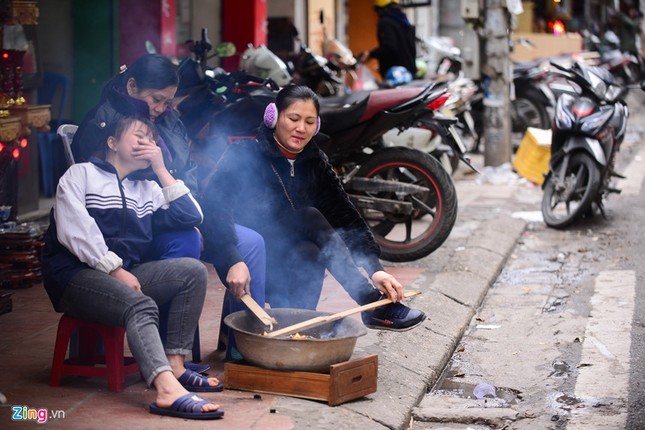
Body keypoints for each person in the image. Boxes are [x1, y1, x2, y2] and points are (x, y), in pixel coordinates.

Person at [72, 53, 267, 362]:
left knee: (252, 244)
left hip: (181, 207)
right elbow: (112, 184)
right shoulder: (109, 122)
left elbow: (188, 172)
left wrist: (200, 214)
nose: (162, 108)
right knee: (186, 239)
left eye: (168, 102)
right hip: (142, 221)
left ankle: (243, 350)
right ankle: (171, 353)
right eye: (157, 100)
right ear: (132, 86)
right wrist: (186, 214)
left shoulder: (167, 119)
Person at [40, 116, 225, 419]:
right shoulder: (80, 175)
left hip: (124, 274)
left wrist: (162, 169)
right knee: (140, 307)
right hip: (74, 276)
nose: (147, 144)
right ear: (112, 143)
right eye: (138, 137)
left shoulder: (147, 189)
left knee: (191, 271)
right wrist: (114, 269)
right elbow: (76, 230)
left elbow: (192, 216)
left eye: (151, 139)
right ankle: (165, 390)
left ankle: (175, 365)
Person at [199, 85, 426, 331]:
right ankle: (368, 301)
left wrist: (376, 269)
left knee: (310, 250)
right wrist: (233, 258)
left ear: (317, 125)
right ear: (273, 117)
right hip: (247, 260)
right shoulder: (244, 153)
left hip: (293, 257)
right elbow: (213, 207)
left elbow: (343, 212)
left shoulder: (314, 160)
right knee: (309, 216)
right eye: (293, 119)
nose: (301, 129)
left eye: (309, 122)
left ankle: (296, 327)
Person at [361, 0, 417, 80]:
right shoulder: (404, 22)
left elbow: (389, 47)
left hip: (396, 75)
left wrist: (370, 54)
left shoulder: (386, 23)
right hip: (409, 72)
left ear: (381, 9)